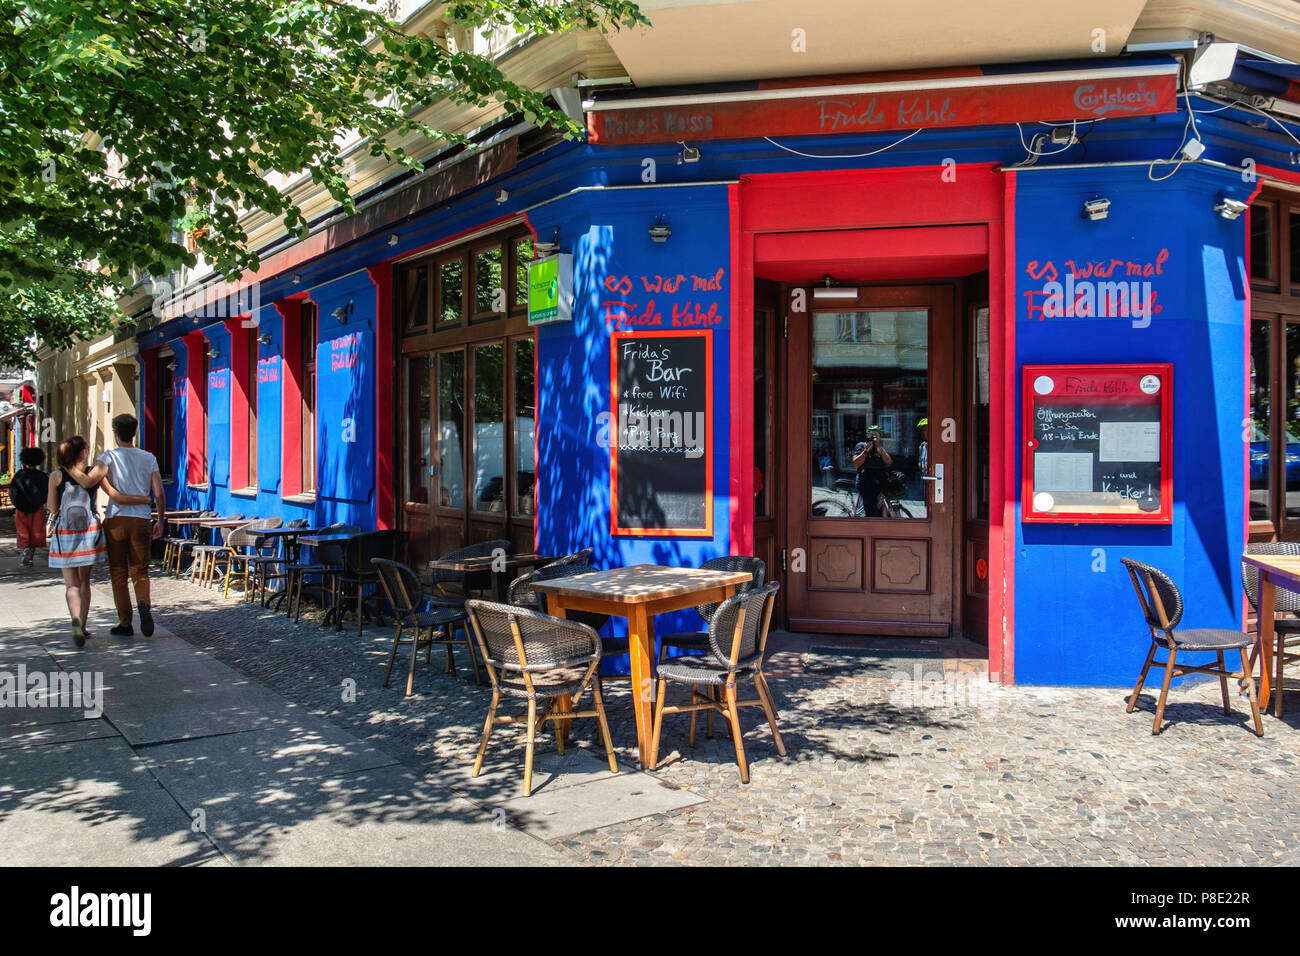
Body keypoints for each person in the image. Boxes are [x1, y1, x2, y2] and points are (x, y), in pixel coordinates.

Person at [70, 414, 165, 638]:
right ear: (135, 431)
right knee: (140, 570)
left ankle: (125, 622)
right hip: (141, 519)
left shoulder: (109, 457)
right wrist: (160, 520)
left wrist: (67, 466)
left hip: (116, 519)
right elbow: (159, 493)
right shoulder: (148, 457)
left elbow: (89, 481)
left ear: (115, 432)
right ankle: (143, 602)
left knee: (118, 572)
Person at [10, 446, 49, 568]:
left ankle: (25, 550)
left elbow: (13, 492)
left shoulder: (19, 475)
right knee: (36, 533)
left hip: (21, 509)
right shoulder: (42, 476)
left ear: (23, 460)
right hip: (37, 508)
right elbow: (46, 492)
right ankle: (30, 555)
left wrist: (16, 504)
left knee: (23, 532)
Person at [852, 425, 893, 518]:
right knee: (871, 511)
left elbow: (888, 462)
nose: (873, 437)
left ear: (879, 437)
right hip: (866, 483)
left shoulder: (880, 448)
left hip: (880, 482)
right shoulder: (861, 445)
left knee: (880, 508)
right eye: (871, 435)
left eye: (876, 435)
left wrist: (879, 448)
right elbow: (856, 463)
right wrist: (866, 451)